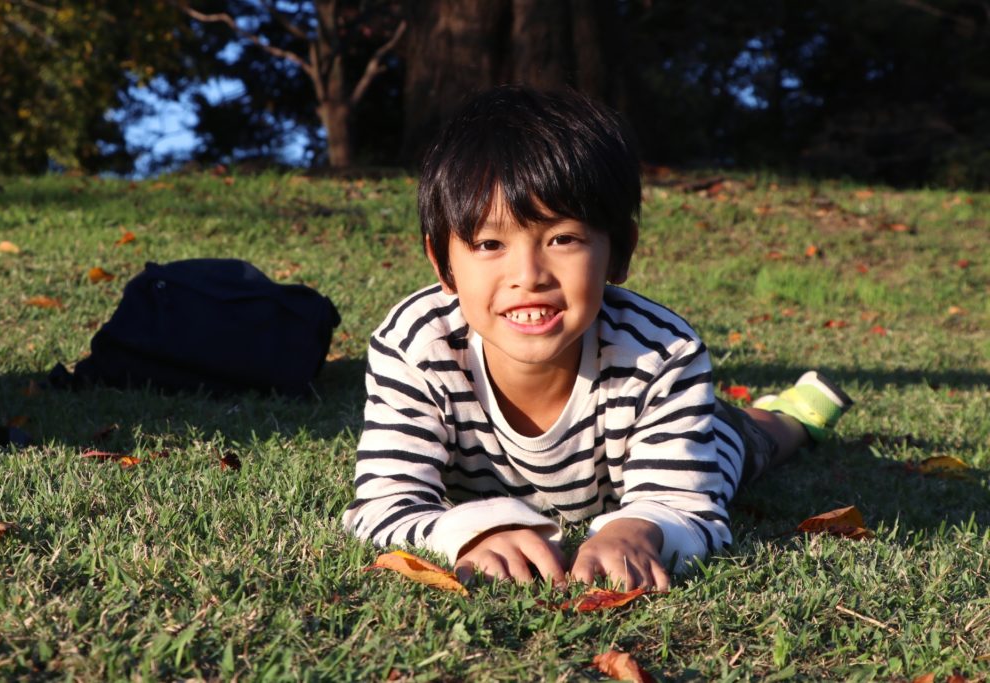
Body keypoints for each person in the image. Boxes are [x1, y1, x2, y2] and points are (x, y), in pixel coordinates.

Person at [342, 85, 853, 590]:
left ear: (620, 251)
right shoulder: (416, 345)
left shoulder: (663, 355)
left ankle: (792, 417)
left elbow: (689, 509)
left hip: (656, 450)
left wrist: (636, 530)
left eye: (563, 238)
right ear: (443, 263)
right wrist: (469, 532)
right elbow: (383, 505)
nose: (529, 275)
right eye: (489, 243)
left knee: (739, 445)